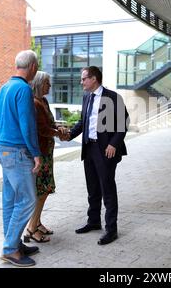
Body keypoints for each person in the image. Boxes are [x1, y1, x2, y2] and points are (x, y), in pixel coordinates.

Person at [62, 66, 129, 245]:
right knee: (92, 188)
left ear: (94, 79)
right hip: (89, 148)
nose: (81, 82)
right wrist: (68, 135)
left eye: (84, 78)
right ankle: (93, 221)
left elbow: (124, 122)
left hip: (105, 149)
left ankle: (111, 230)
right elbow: (82, 122)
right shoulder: (86, 97)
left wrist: (113, 144)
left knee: (107, 189)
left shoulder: (113, 97)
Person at [0, 50, 41, 267]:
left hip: (3, 149)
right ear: (32, 66)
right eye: (37, 65)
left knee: (10, 200)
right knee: (28, 199)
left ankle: (12, 242)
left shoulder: (4, 88)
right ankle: (10, 249)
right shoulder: (23, 89)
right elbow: (27, 125)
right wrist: (36, 153)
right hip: (17, 152)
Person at [24, 71, 67, 244]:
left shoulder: (43, 101)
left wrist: (58, 127)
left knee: (45, 190)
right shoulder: (35, 103)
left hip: (47, 152)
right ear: (39, 84)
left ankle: (37, 223)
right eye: (47, 83)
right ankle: (31, 229)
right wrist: (58, 133)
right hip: (40, 154)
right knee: (41, 191)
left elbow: (49, 124)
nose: (50, 85)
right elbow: (42, 130)